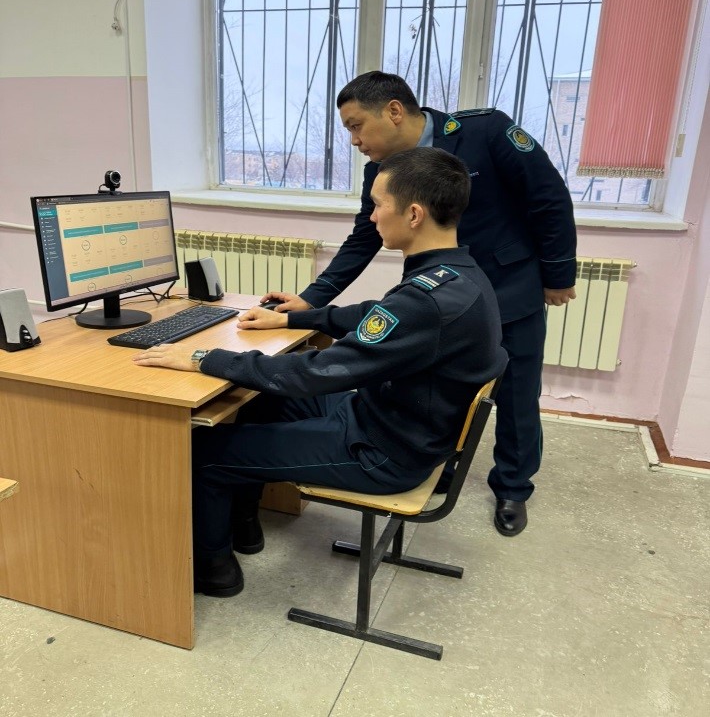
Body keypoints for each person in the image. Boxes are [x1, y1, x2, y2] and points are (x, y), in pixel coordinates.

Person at [134, 147, 508, 597]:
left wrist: (203, 358)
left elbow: (316, 372)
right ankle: (244, 528)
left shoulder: (427, 300)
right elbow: (378, 315)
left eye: (378, 205)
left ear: (413, 214)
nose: (372, 217)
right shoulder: (458, 273)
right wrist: (295, 318)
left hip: (384, 452)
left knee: (203, 452)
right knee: (263, 401)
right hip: (394, 421)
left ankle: (214, 570)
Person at [262, 71, 577, 537]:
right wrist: (310, 300)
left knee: (515, 393)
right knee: (435, 392)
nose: (354, 141)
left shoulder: (486, 132)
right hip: (439, 300)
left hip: (508, 288)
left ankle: (513, 484)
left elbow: (548, 198)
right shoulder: (381, 170)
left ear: (393, 111)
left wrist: (557, 275)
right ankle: (441, 464)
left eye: (356, 126)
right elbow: (364, 238)